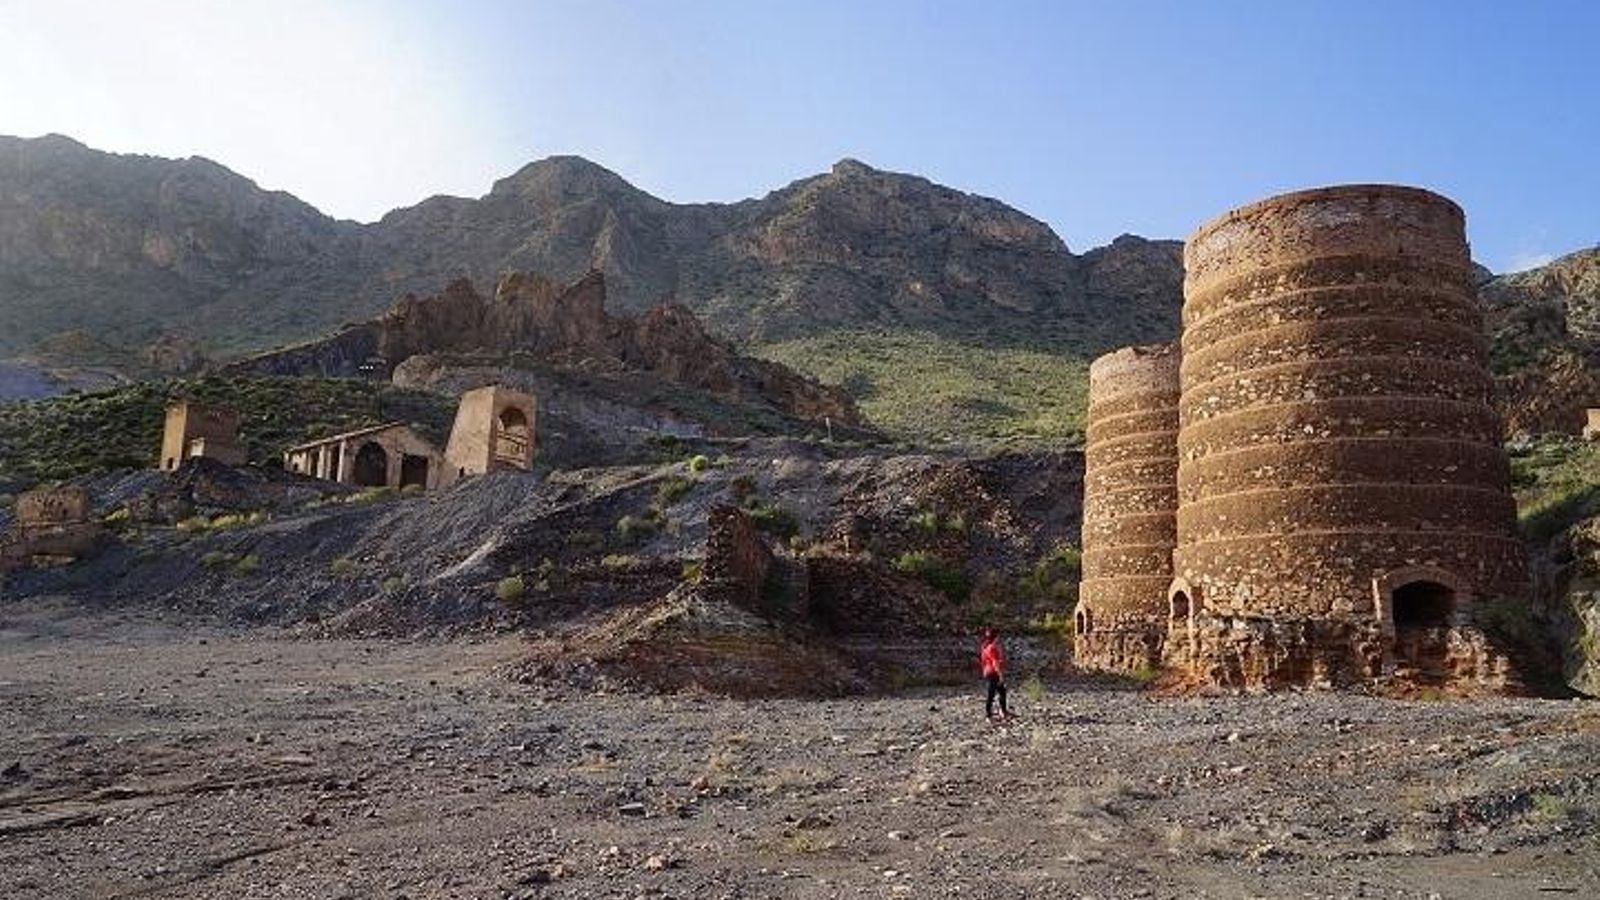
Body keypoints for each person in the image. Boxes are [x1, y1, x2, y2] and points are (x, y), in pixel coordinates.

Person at [979, 627, 1012, 721]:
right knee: (992, 693)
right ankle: (989, 715)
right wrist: (1001, 675)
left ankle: (1002, 711)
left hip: (987, 672)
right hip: (993, 673)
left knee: (1001, 692)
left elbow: (985, 661)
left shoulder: (985, 647)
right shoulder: (992, 648)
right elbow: (995, 663)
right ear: (996, 636)